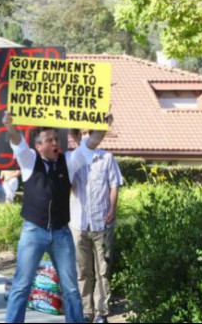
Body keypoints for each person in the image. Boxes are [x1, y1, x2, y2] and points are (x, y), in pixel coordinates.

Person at [2, 111, 111, 323]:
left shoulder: (68, 161)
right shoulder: (29, 160)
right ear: (39, 146)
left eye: (56, 139)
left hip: (61, 233)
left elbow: (92, 142)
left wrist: (103, 126)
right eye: (49, 140)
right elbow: (17, 141)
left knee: (71, 288)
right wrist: (10, 126)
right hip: (34, 230)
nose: (55, 143)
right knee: (21, 285)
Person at [69, 129, 123, 324]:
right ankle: (86, 311)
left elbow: (114, 184)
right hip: (78, 223)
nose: (86, 136)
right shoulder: (72, 160)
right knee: (82, 270)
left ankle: (101, 311)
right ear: (76, 137)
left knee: (103, 270)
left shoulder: (107, 158)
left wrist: (112, 209)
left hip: (102, 222)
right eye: (82, 133)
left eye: (89, 132)